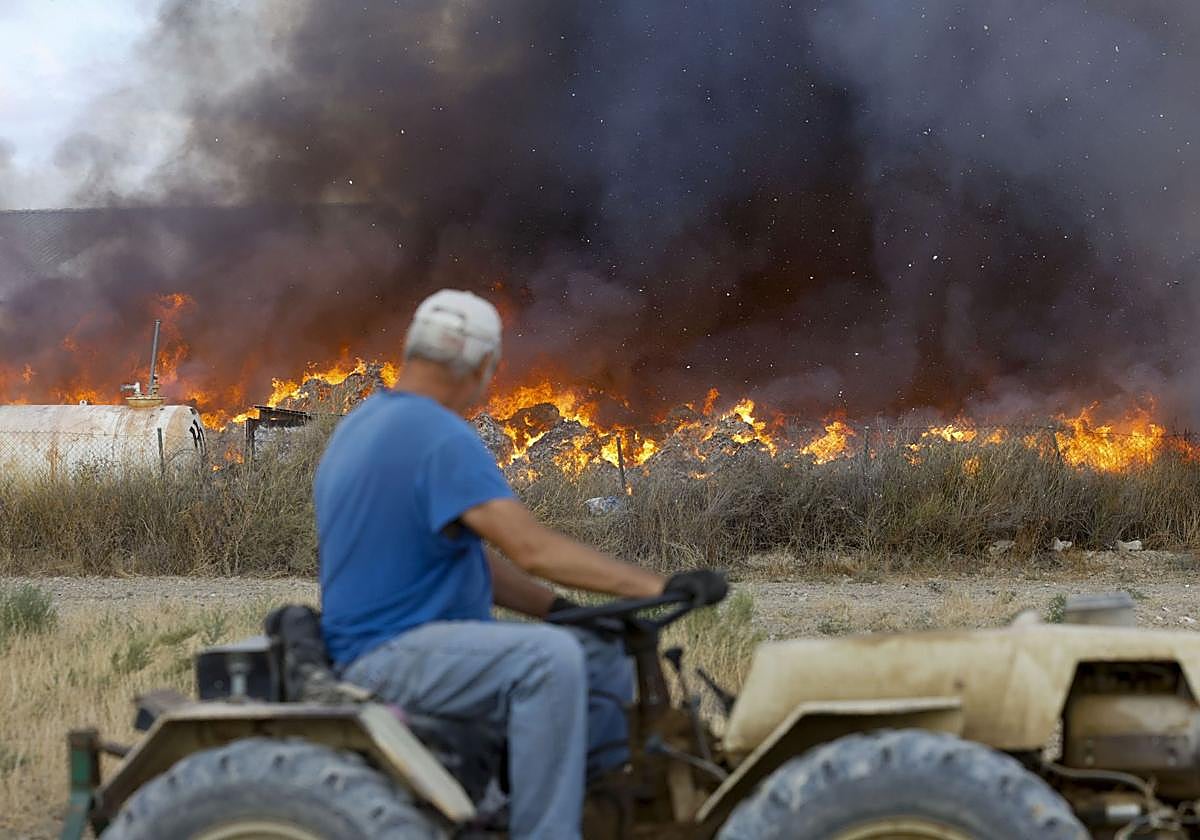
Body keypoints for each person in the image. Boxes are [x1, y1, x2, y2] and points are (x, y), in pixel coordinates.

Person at [314, 289, 726, 840]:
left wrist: (560, 609)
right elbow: (531, 548)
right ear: (484, 365)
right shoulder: (437, 435)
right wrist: (660, 586)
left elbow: (473, 555)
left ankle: (608, 810)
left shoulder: (364, 424)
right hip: (388, 654)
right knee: (547, 661)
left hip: (400, 642)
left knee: (598, 652)